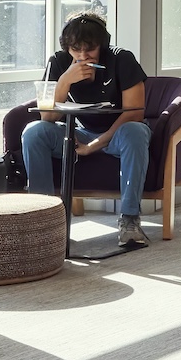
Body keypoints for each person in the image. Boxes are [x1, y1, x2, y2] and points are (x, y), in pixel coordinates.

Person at [21, 13, 152, 249]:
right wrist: (64, 81)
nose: (83, 56)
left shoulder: (122, 59)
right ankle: (44, 221)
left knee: (136, 131)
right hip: (80, 131)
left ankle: (130, 220)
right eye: (75, 49)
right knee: (34, 131)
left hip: (119, 134)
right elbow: (47, 116)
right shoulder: (58, 62)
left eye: (90, 49)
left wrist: (95, 145)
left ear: (101, 44)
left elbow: (135, 113)